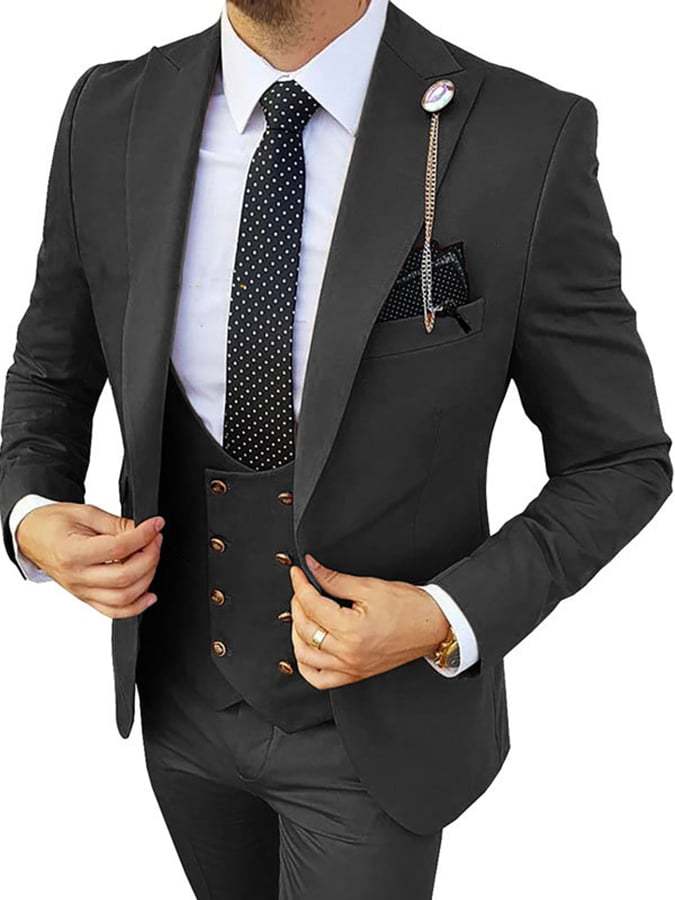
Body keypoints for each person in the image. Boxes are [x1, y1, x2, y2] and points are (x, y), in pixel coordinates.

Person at [0, 1, 670, 897]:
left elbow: (619, 458)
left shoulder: (522, 134)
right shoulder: (109, 110)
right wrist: (30, 513)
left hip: (377, 731)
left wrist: (443, 615)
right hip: (179, 706)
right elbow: (49, 371)